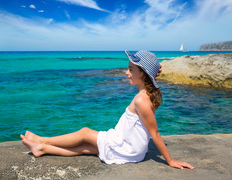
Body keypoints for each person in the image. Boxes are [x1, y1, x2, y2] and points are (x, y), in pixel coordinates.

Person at [21, 50, 194, 170]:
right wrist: (153, 71)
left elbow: (154, 133)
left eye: (131, 69)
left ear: (143, 74)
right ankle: (42, 149)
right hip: (126, 144)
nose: (126, 72)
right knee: (84, 148)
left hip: (127, 147)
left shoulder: (142, 99)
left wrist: (170, 161)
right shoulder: (146, 93)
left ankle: (42, 140)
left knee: (84, 133)